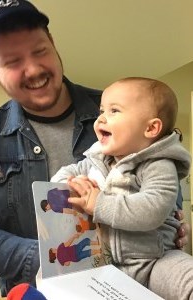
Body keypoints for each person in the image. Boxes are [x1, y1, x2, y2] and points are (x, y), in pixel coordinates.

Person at [0, 0, 189, 297]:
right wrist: (55, 258)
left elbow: (164, 194)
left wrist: (167, 227)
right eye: (12, 61)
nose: (33, 69)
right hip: (37, 289)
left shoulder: (123, 111)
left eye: (40, 51)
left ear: (53, 44)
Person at [51, 77, 193, 299]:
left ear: (151, 128)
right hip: (103, 265)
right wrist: (70, 184)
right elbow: (63, 175)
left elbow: (154, 209)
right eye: (101, 111)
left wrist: (99, 203)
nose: (100, 119)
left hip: (154, 261)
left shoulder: (160, 165)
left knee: (187, 277)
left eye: (114, 111)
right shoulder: (95, 160)